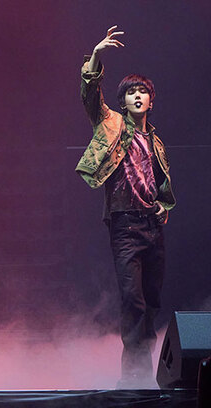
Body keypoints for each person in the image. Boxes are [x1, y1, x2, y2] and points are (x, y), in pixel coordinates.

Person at [76, 26, 175, 388]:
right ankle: (133, 377)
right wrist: (96, 55)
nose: (137, 96)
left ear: (151, 101)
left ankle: (145, 374)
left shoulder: (156, 141)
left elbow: (161, 183)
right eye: (131, 92)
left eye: (142, 91)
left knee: (151, 301)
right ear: (123, 101)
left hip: (152, 226)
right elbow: (90, 94)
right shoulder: (111, 123)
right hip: (125, 226)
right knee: (133, 300)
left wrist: (163, 206)